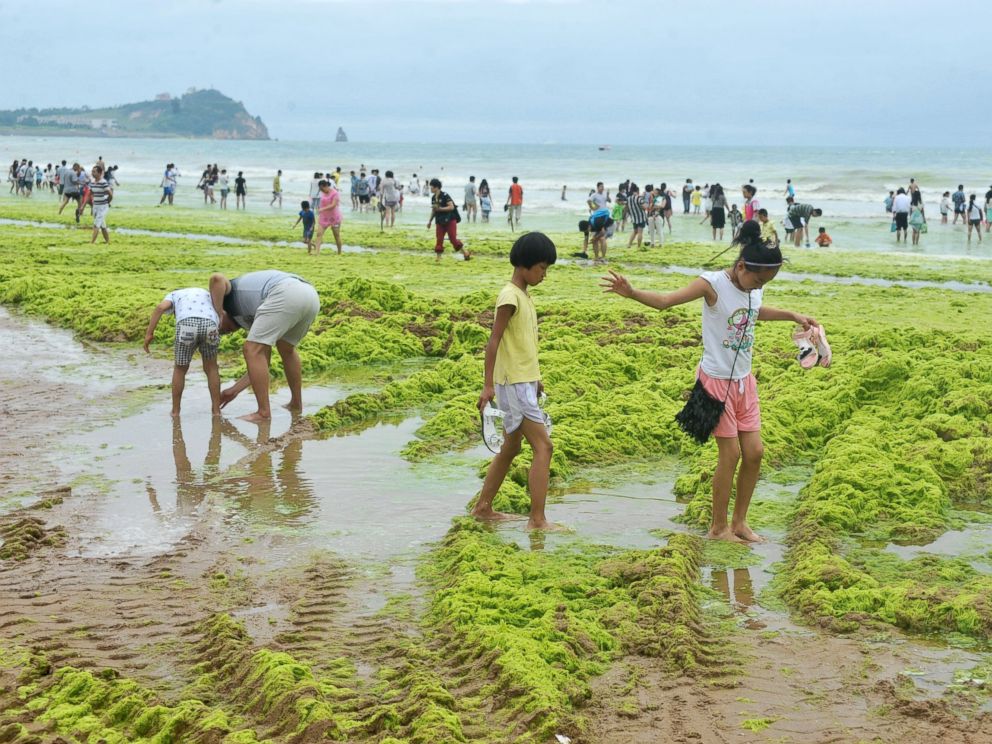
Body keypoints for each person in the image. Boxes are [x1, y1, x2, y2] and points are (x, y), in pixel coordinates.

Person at [600, 220, 820, 543]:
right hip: (715, 384)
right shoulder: (711, 284)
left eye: (764, 284)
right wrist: (631, 293)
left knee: (755, 453)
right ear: (741, 266)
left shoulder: (752, 287)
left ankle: (740, 522)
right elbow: (665, 302)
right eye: (757, 281)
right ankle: (718, 528)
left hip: (745, 383)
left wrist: (793, 316)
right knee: (729, 455)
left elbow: (754, 312)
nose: (758, 288)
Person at [472, 232, 558, 531]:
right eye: (542, 268)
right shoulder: (510, 296)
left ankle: (483, 508)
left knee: (511, 448)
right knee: (544, 448)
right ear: (524, 265)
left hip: (523, 382)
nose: (544, 274)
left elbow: (522, 344)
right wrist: (487, 386)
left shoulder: (523, 296)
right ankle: (537, 520)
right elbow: (493, 341)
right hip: (514, 385)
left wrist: (537, 378)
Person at [210, 270, 321, 422]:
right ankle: (296, 404)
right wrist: (234, 391)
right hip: (309, 295)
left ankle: (263, 412)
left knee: (251, 349)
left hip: (284, 291)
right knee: (286, 349)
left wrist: (217, 313)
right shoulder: (247, 316)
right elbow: (263, 362)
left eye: (219, 328)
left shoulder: (225, 299)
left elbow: (217, 278)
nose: (223, 331)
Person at [143, 287, 222, 417]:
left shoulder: (174, 294)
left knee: (180, 369)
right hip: (210, 324)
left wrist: (149, 333)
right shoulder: (206, 293)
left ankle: (175, 411)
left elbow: (160, 308)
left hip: (187, 325)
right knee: (212, 368)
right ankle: (216, 411)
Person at [429, 178, 471, 262]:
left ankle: (465, 253)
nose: (430, 188)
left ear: (436, 187)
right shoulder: (433, 198)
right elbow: (434, 210)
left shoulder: (445, 195)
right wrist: (429, 221)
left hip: (450, 219)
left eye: (431, 187)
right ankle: (438, 257)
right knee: (439, 239)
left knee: (453, 239)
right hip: (439, 220)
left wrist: (440, 209)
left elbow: (451, 207)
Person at [313, 179, 343, 255]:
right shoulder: (322, 193)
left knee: (336, 235)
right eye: (320, 189)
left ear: (326, 186)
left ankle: (339, 252)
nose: (321, 191)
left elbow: (333, 205)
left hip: (334, 217)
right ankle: (317, 253)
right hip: (324, 217)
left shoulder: (335, 193)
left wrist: (322, 209)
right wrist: (319, 208)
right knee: (319, 234)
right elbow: (322, 202)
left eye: (322, 189)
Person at [88, 164, 112, 244]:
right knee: (102, 225)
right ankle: (108, 241)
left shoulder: (103, 182)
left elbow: (110, 194)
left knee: (96, 225)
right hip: (95, 206)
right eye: (92, 171)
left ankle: (91, 242)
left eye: (94, 172)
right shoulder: (92, 182)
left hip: (103, 207)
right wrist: (82, 206)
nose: (92, 173)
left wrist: (107, 202)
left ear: (99, 173)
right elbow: (89, 194)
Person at [626, 184, 647, 249]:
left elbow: (627, 208)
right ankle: (638, 246)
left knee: (635, 231)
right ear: (637, 191)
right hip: (641, 217)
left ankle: (629, 244)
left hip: (634, 218)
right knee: (640, 232)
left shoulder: (628, 198)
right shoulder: (639, 198)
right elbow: (645, 207)